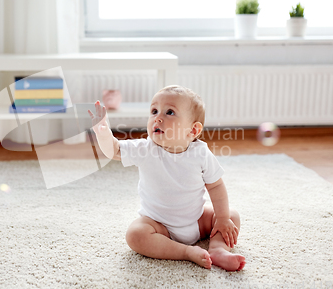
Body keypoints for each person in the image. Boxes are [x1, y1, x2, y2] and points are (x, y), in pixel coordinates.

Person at [88, 85, 245, 271]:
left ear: (193, 131)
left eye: (169, 112)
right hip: (160, 225)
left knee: (231, 216)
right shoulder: (146, 149)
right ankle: (186, 252)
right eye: (154, 111)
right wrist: (103, 132)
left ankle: (218, 249)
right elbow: (113, 150)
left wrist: (222, 218)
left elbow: (216, 186)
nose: (158, 117)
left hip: (197, 220)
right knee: (135, 234)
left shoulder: (201, 153)